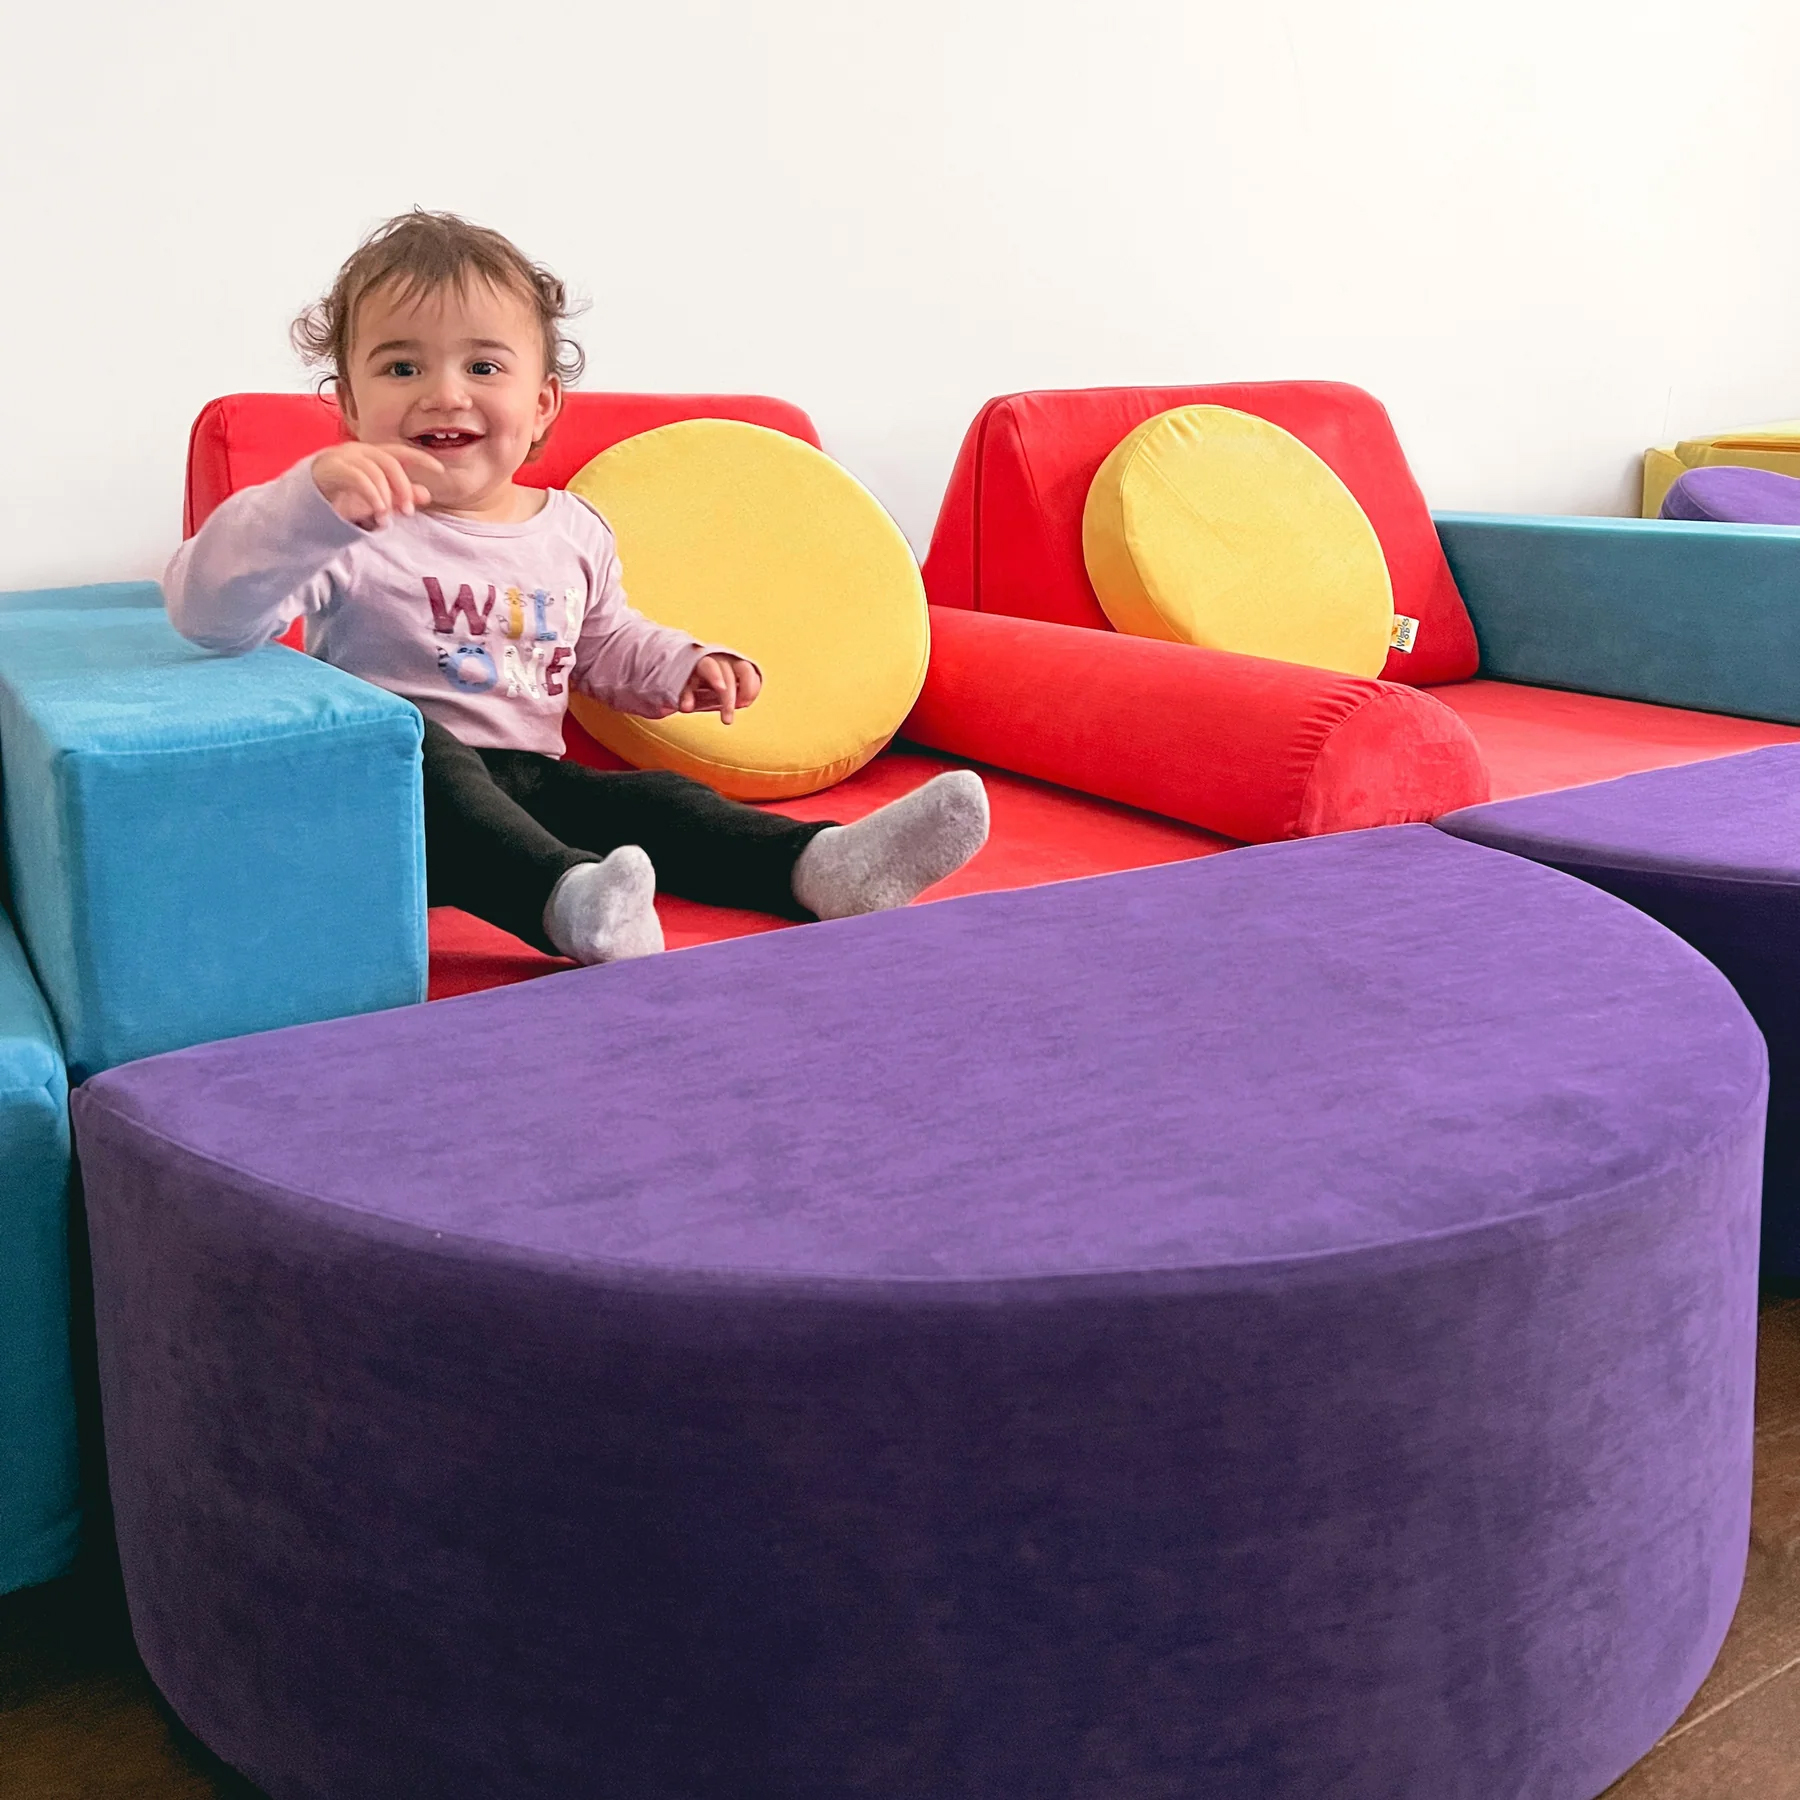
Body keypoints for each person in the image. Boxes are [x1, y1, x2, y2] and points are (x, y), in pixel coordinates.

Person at [165, 209, 989, 965]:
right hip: (391, 805)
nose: (443, 392)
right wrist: (308, 501)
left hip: (529, 783)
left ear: (542, 403)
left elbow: (605, 642)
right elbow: (207, 613)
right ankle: (565, 901)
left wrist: (681, 665)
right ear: (348, 405)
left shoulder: (572, 530)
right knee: (423, 749)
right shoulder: (345, 529)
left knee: (657, 801)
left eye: (483, 365)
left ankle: (821, 866)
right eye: (401, 365)